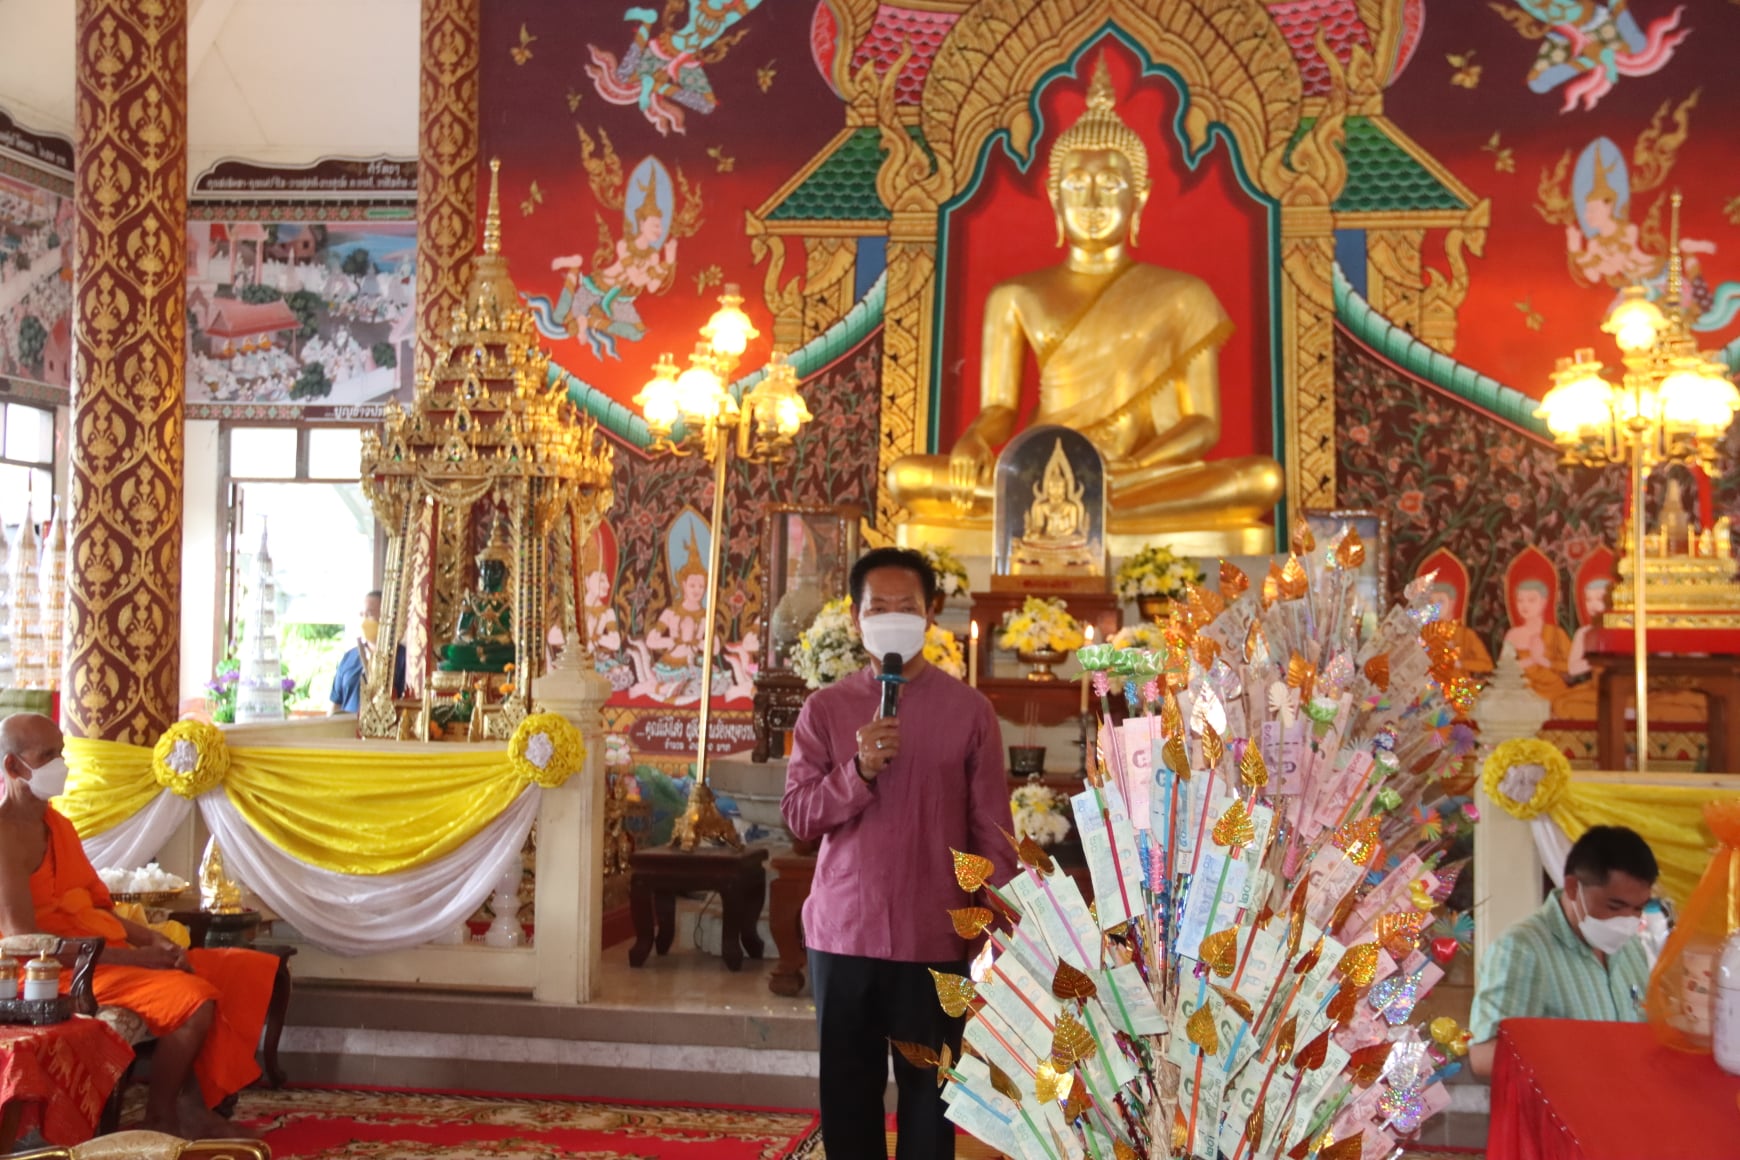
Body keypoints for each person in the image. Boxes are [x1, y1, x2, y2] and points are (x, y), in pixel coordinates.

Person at [781, 548, 1018, 1160]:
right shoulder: (825, 709)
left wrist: (995, 926)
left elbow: (992, 830)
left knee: (931, 1100)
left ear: (930, 614)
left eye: (906, 606)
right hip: (844, 932)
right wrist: (856, 771)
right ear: (855, 618)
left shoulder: (970, 712)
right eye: (878, 607)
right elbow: (799, 817)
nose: (892, 618)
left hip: (935, 933)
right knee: (848, 1095)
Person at [0, 713, 279, 1138]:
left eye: (62, 753)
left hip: (103, 953)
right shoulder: (5, 838)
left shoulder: (58, 825)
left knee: (239, 968)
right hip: (53, 971)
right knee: (193, 998)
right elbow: (25, 941)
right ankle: (162, 1116)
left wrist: (151, 939)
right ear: (13, 766)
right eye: (48, 755)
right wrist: (138, 960)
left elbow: (95, 907)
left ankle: (195, 1105)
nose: (61, 764)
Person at [1467, 825, 1657, 1078]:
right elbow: (1484, 1057)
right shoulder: (1522, 949)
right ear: (1572, 887)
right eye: (1614, 906)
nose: (1627, 921)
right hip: (1562, 1103)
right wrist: (1577, 1059)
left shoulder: (1632, 949)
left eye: (1638, 909)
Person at [329, 588, 381, 714]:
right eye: (362, 615)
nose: (364, 620)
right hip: (347, 725)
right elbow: (335, 704)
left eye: (369, 615)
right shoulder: (349, 658)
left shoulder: (401, 659)